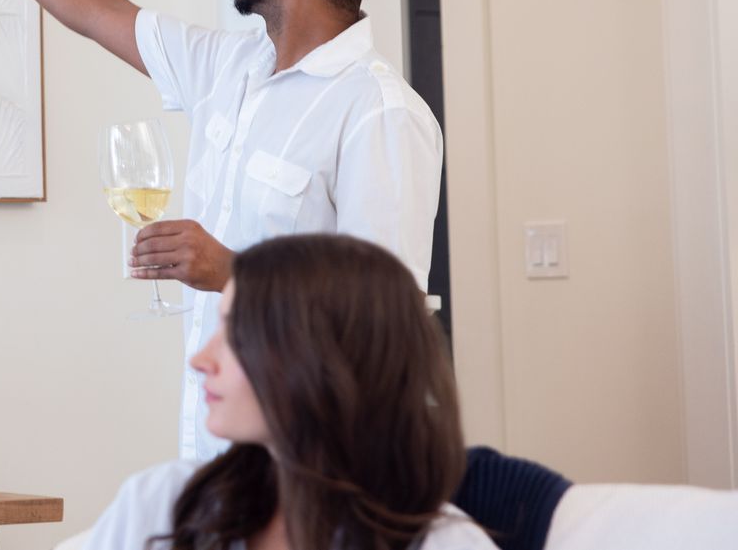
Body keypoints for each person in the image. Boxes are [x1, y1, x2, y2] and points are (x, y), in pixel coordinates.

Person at [0, 0, 442, 459]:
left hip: (311, 472)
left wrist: (235, 274)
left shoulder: (381, 113)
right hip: (209, 467)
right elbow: (96, 9)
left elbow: (386, 321)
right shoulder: (228, 68)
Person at [65, 234, 493, 550]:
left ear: (324, 358)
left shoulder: (447, 543)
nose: (200, 360)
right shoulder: (163, 503)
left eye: (236, 334)